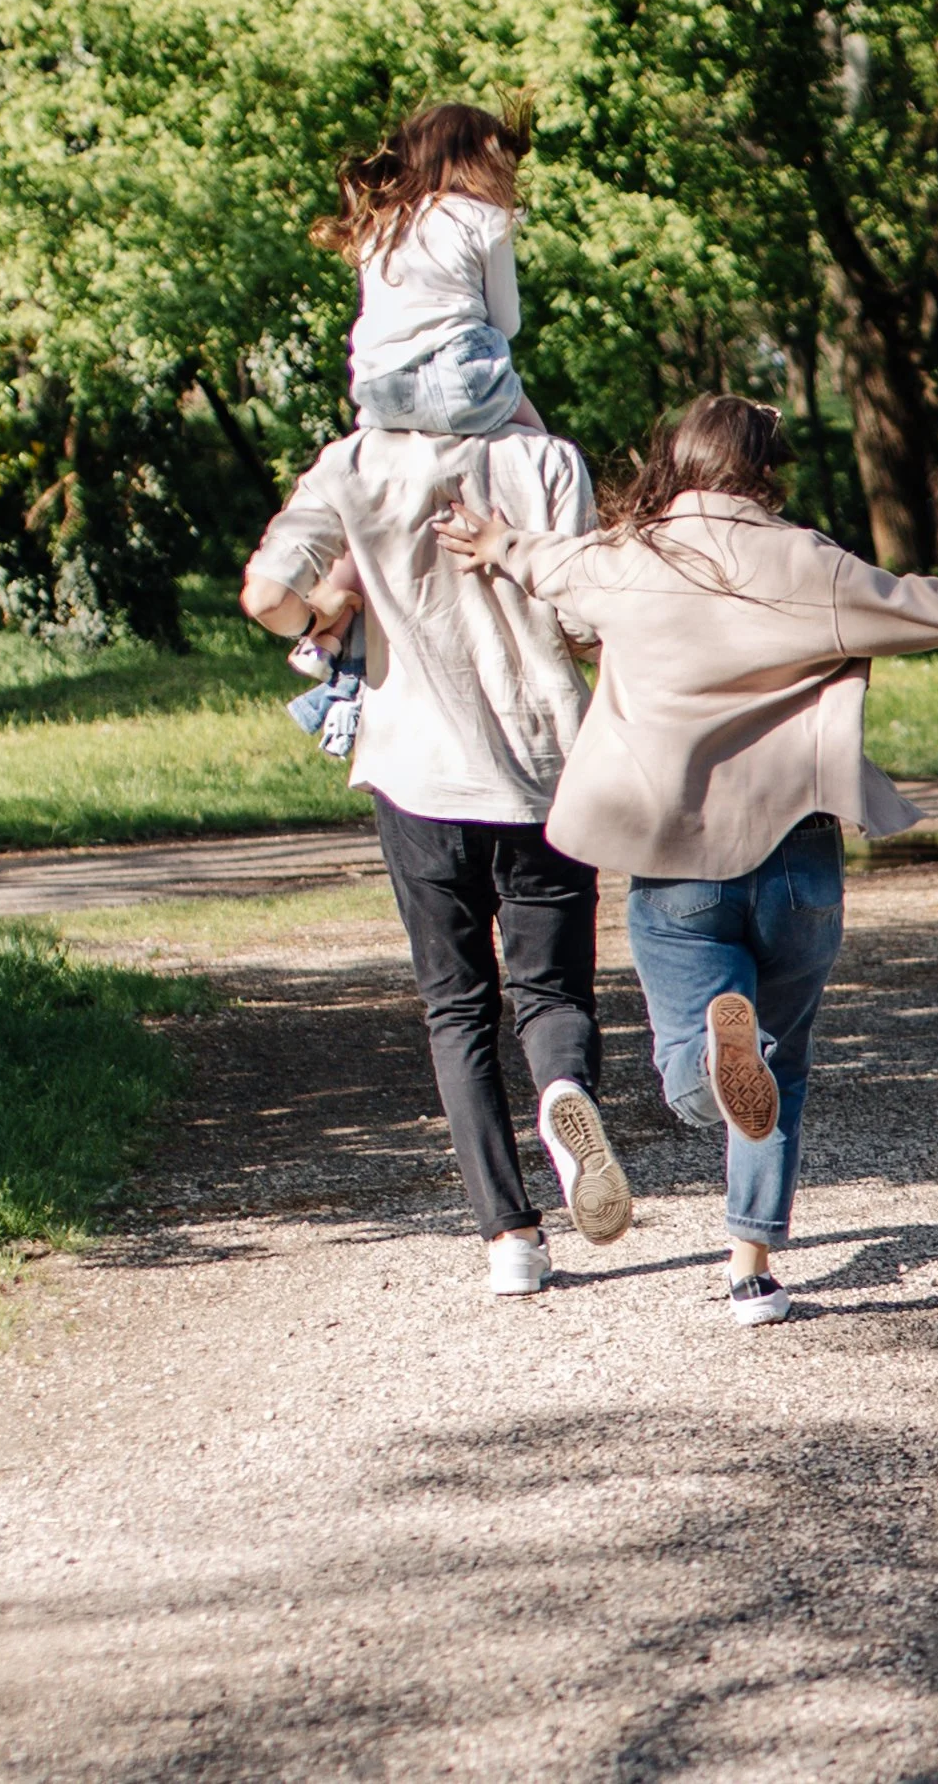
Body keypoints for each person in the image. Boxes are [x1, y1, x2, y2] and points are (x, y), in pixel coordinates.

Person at [433, 392, 938, 1326]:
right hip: (796, 853)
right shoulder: (811, 562)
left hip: (677, 859)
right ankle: (751, 1270)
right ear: (767, 471)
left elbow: (542, 562)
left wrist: (494, 542)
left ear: (677, 462)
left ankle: (717, 1057)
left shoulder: (625, 559)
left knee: (701, 1074)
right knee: (782, 1067)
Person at [238, 421, 634, 1298]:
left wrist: (324, 615)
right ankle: (565, 1091)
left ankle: (511, 1237)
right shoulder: (548, 459)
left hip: (418, 773)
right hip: (542, 771)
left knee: (456, 1008)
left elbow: (267, 595)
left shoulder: (355, 461)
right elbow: (580, 619)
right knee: (553, 993)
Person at [292, 99, 549, 674]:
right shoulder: (483, 217)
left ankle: (327, 628)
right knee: (548, 451)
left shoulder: (380, 221)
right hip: (461, 377)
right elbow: (504, 324)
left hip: (379, 387)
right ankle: (540, 563)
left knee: (367, 490)